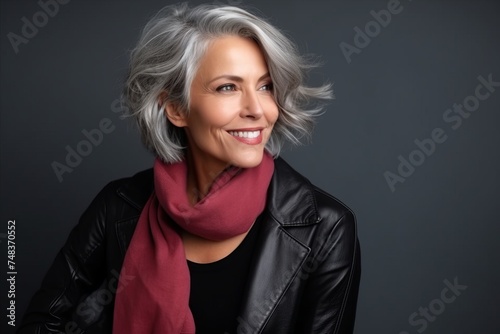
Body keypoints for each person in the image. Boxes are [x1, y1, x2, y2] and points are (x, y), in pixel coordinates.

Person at [19, 3, 360, 333]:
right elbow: (42, 324)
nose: (257, 109)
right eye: (228, 87)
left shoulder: (324, 229)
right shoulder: (118, 207)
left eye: (266, 86)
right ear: (175, 108)